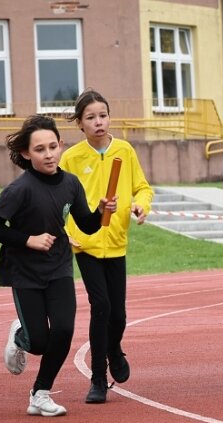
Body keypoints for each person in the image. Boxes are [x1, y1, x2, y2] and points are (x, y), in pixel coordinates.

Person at [0, 114, 114, 416]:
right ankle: (20, 335)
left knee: (64, 329)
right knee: (39, 342)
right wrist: (29, 239)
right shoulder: (20, 189)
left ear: (61, 146)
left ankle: (40, 393)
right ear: (27, 153)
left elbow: (88, 226)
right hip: (24, 271)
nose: (49, 154)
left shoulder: (70, 183)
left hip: (58, 268)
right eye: (40, 149)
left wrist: (102, 211)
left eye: (53, 146)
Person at [60, 88, 154, 404]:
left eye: (103, 115)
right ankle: (98, 379)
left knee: (119, 315)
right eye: (91, 118)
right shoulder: (72, 158)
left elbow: (142, 188)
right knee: (100, 307)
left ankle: (114, 348)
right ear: (80, 124)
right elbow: (59, 200)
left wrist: (141, 206)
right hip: (85, 244)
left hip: (116, 242)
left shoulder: (124, 151)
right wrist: (63, 231)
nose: (98, 122)